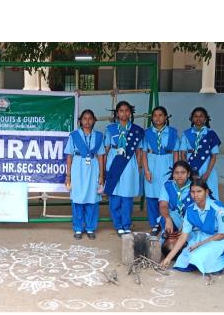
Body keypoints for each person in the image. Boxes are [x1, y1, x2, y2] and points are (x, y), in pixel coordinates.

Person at [160, 178, 224, 275]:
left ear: (206, 192)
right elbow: (183, 236)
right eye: (192, 192)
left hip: (218, 239)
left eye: (199, 191)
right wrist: (168, 258)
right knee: (184, 259)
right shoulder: (190, 210)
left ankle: (222, 259)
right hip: (202, 236)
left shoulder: (218, 209)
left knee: (197, 257)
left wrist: (199, 244)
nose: (195, 195)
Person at [104, 100, 144, 237]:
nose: (124, 113)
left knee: (127, 196)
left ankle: (126, 224)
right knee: (114, 195)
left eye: (127, 110)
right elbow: (106, 148)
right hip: (113, 160)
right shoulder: (110, 129)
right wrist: (104, 168)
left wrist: (138, 167)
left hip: (129, 163)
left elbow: (139, 151)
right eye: (121, 110)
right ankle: (118, 224)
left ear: (130, 113)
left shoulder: (136, 131)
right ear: (117, 113)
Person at [64, 109, 105, 240]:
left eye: (90, 118)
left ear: (94, 120)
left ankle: (90, 228)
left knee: (92, 198)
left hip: (93, 169)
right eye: (84, 118)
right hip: (77, 168)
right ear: (80, 121)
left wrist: (101, 175)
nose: (87, 121)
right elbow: (69, 156)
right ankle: (78, 228)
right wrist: (68, 175)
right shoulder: (74, 136)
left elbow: (100, 157)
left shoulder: (99, 136)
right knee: (77, 199)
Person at [142, 106, 180, 227]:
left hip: (167, 167)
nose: (157, 118)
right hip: (152, 166)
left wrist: (175, 171)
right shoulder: (147, 133)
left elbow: (176, 154)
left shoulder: (173, 133)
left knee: (166, 196)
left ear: (165, 117)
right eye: (155, 115)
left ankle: (165, 224)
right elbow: (143, 153)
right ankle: (154, 225)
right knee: (152, 197)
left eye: (160, 115)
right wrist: (146, 170)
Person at [179, 106, 221, 200]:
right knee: (191, 194)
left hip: (207, 167)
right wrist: (189, 171)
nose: (198, 118)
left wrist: (207, 173)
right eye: (195, 116)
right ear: (191, 118)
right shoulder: (186, 134)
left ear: (205, 119)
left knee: (210, 193)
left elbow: (214, 156)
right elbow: (183, 154)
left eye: (201, 116)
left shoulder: (211, 134)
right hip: (190, 166)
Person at [157, 160, 193, 255]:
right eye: (176, 173)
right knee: (165, 219)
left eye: (183, 172)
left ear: (188, 174)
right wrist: (168, 218)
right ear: (173, 174)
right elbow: (163, 205)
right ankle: (169, 240)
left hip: (191, 221)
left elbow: (199, 210)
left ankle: (182, 242)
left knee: (193, 242)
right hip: (174, 220)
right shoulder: (167, 185)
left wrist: (186, 224)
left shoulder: (194, 187)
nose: (179, 176)